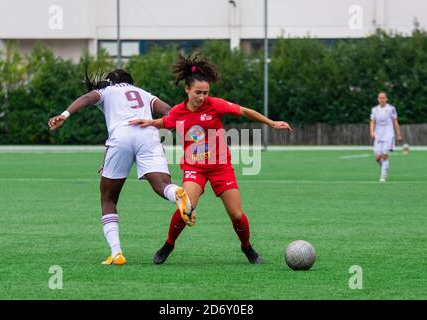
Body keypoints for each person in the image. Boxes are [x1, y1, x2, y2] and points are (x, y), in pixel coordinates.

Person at [130, 53, 292, 265]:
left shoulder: (215, 105)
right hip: (194, 168)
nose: (202, 97)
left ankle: (247, 248)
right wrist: (148, 122)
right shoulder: (178, 112)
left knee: (236, 215)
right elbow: (165, 121)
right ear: (187, 90)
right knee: (186, 206)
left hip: (221, 168)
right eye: (198, 92)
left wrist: (271, 123)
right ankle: (168, 245)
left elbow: (244, 111)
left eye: (206, 92)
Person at [47, 68, 194, 266]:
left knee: (108, 199)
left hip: (121, 136)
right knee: (162, 185)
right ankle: (176, 192)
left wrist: (65, 114)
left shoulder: (108, 91)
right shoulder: (143, 93)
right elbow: (170, 112)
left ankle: (117, 253)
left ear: (111, 81)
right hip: (148, 133)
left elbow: (89, 97)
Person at [370, 92, 402, 182]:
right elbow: (372, 121)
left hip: (389, 134)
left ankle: (383, 175)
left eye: (383, 98)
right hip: (378, 135)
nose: (382, 99)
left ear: (386, 99)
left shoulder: (391, 109)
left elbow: (395, 122)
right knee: (377, 157)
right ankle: (385, 166)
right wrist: (372, 132)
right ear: (378, 99)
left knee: (384, 155)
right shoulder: (374, 109)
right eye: (380, 98)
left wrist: (398, 135)